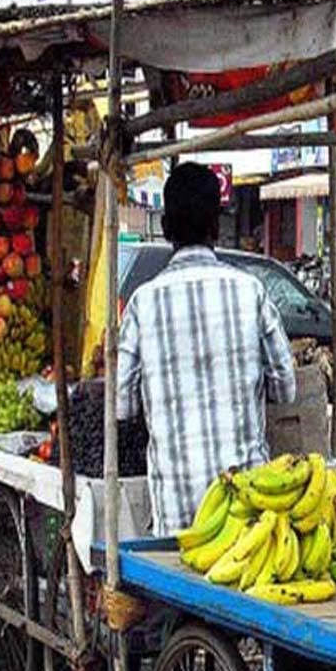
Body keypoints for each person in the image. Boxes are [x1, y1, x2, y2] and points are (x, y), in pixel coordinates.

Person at [118, 162, 296, 536]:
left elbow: (123, 406)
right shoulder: (252, 292)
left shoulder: (141, 304)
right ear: (217, 225)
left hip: (177, 520)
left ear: (165, 229)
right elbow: (286, 388)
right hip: (250, 513)